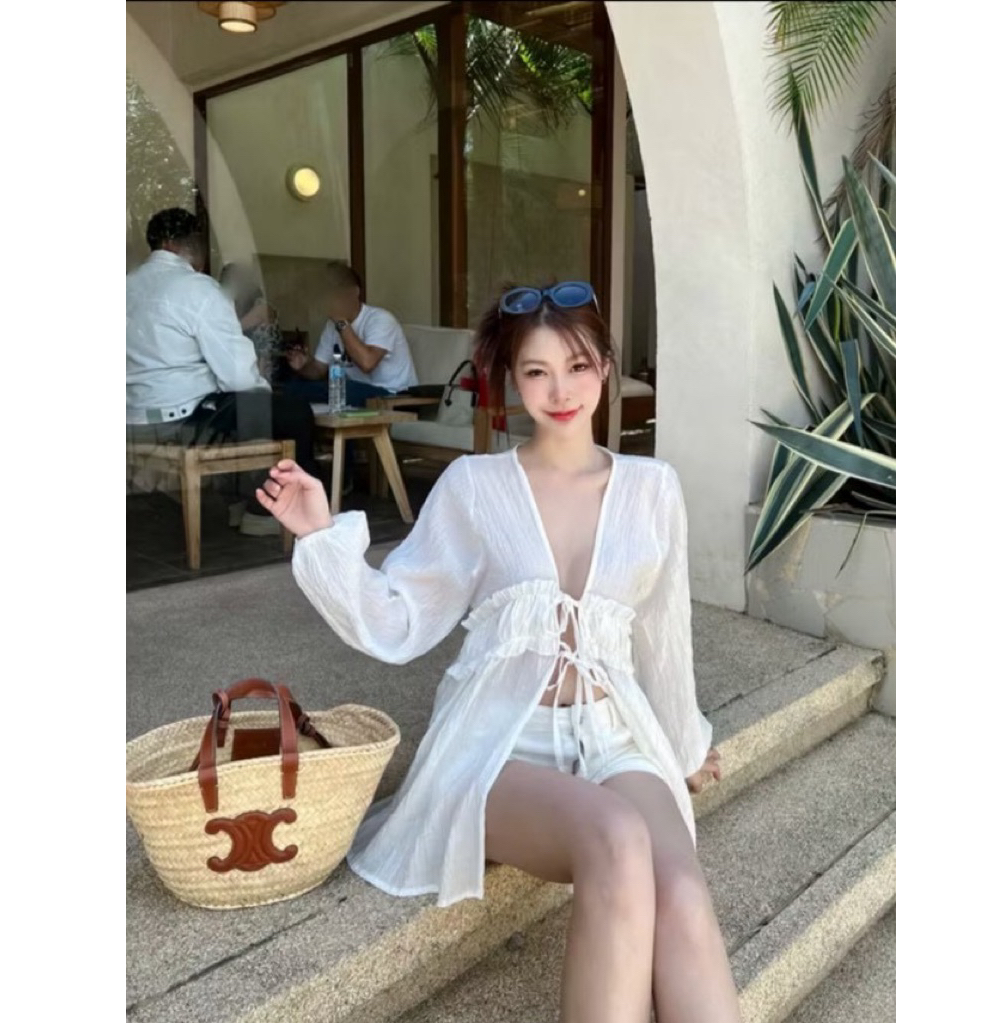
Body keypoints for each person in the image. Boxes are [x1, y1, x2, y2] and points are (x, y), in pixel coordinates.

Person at [255, 281, 740, 1023]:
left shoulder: (653, 488)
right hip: (498, 742)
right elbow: (399, 616)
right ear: (511, 378)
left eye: (577, 366)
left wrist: (682, 746)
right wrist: (320, 535)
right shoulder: (475, 486)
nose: (560, 391)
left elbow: (663, 634)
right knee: (616, 837)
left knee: (679, 890)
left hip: (615, 735)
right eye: (536, 371)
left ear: (606, 368)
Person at [126, 208, 320, 537]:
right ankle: (268, 512)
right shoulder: (198, 288)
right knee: (290, 411)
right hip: (181, 417)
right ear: (193, 247)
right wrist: (262, 394)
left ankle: (239, 500)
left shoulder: (126, 286)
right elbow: (239, 375)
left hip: (131, 418)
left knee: (243, 409)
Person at [285, 261, 418, 406]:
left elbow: (367, 363)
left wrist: (340, 320)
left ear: (355, 292)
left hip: (393, 395)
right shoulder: (331, 325)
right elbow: (319, 369)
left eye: (336, 293)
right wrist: (303, 366)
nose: (330, 300)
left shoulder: (380, 319)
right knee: (295, 386)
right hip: (356, 391)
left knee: (343, 388)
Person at [218, 261, 285, 386]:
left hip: (264, 371)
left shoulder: (261, 306)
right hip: (243, 370)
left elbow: (231, 330)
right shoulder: (231, 307)